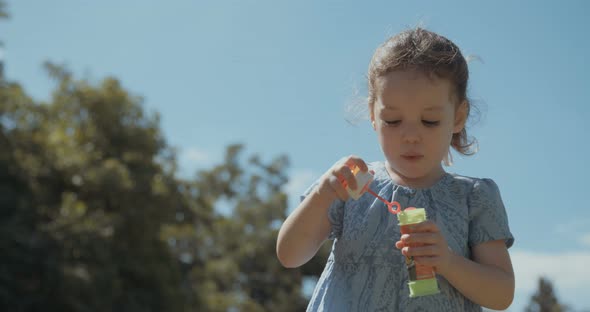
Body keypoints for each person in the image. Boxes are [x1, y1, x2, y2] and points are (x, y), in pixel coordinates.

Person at [276, 27, 515, 311]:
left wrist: (449, 262)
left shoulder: (473, 197)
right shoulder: (353, 185)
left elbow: (501, 295)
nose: (410, 136)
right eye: (392, 120)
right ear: (373, 115)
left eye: (429, 121)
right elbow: (289, 255)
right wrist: (321, 196)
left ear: (458, 117)